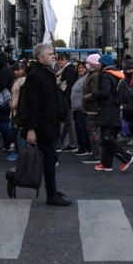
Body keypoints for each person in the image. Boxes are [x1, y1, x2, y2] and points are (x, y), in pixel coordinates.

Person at [23, 43, 71, 206]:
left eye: (53, 54)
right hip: (41, 126)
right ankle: (51, 194)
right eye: (50, 54)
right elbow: (31, 104)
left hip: (50, 124)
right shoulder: (35, 75)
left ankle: (52, 191)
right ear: (40, 57)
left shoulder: (48, 73)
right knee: (49, 158)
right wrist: (30, 129)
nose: (53, 56)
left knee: (51, 158)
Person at [91, 54, 133, 172]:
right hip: (114, 109)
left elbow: (105, 93)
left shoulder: (106, 75)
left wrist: (94, 93)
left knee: (107, 137)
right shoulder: (116, 74)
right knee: (108, 137)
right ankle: (106, 164)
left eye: (99, 63)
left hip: (108, 110)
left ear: (103, 64)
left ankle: (126, 158)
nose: (97, 65)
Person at [81, 54, 103, 164]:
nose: (86, 64)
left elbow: (95, 92)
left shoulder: (95, 75)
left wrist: (86, 98)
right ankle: (95, 153)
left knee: (93, 131)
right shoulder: (92, 74)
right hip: (90, 107)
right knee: (92, 130)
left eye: (88, 62)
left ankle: (96, 154)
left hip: (92, 108)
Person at [55, 52, 79, 152]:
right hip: (67, 100)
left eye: (62, 59)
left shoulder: (68, 70)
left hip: (66, 100)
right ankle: (61, 142)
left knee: (68, 121)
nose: (60, 61)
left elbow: (67, 87)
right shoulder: (63, 70)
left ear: (67, 60)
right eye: (59, 59)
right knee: (67, 122)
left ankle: (73, 143)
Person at [70, 61, 92, 157]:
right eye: (79, 68)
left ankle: (84, 148)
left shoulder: (86, 78)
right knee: (80, 128)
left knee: (81, 128)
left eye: (83, 68)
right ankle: (84, 148)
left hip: (83, 108)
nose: (81, 69)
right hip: (77, 108)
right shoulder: (79, 78)